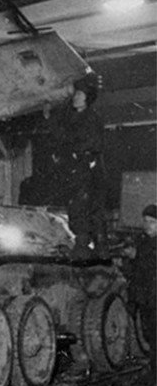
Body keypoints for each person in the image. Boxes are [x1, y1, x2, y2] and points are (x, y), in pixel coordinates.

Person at [56, 74, 107, 257]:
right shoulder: (73, 118)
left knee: (84, 206)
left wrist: (74, 152)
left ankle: (87, 246)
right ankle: (84, 244)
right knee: (77, 207)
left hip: (85, 169)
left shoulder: (91, 118)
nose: (75, 97)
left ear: (87, 97)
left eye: (79, 94)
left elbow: (92, 144)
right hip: (77, 168)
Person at [127, 204, 157, 379]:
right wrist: (133, 300)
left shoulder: (148, 245)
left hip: (154, 298)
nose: (147, 225)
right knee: (150, 336)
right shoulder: (144, 242)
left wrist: (136, 255)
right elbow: (137, 275)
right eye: (145, 221)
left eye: (152, 222)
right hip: (147, 300)